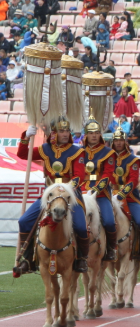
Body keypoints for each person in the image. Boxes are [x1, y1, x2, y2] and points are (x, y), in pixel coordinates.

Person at [13, 116, 89, 276]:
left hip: (70, 196)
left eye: (67, 130)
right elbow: (22, 154)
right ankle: (27, 260)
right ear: (54, 132)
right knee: (24, 221)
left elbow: (79, 177)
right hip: (49, 196)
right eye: (61, 130)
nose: (65, 133)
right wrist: (26, 137)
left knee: (81, 227)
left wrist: (65, 190)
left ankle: (82, 258)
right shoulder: (45, 149)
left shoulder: (78, 151)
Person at [80, 113, 117, 261]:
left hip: (100, 194)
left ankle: (111, 249)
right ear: (86, 135)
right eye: (91, 133)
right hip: (81, 192)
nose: (94, 136)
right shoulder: (78, 152)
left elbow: (107, 176)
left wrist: (95, 190)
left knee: (109, 221)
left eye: (96, 133)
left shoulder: (108, 153)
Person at [111, 128, 140, 261]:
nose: (118, 143)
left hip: (130, 197)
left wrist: (121, 195)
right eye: (116, 140)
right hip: (110, 195)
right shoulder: (108, 158)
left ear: (125, 141)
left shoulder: (133, 160)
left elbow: (133, 180)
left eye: (121, 140)